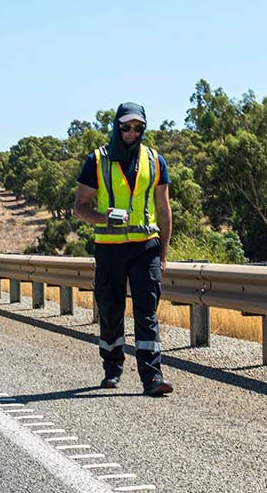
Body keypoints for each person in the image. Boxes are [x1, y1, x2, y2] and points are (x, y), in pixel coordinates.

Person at [73, 103, 174, 397]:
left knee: (147, 313)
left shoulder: (155, 161)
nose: (132, 132)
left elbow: (163, 209)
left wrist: (164, 254)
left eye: (138, 127)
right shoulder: (97, 160)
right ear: (117, 126)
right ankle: (112, 369)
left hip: (146, 248)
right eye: (127, 127)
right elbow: (80, 207)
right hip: (109, 248)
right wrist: (103, 217)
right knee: (111, 310)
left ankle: (152, 377)